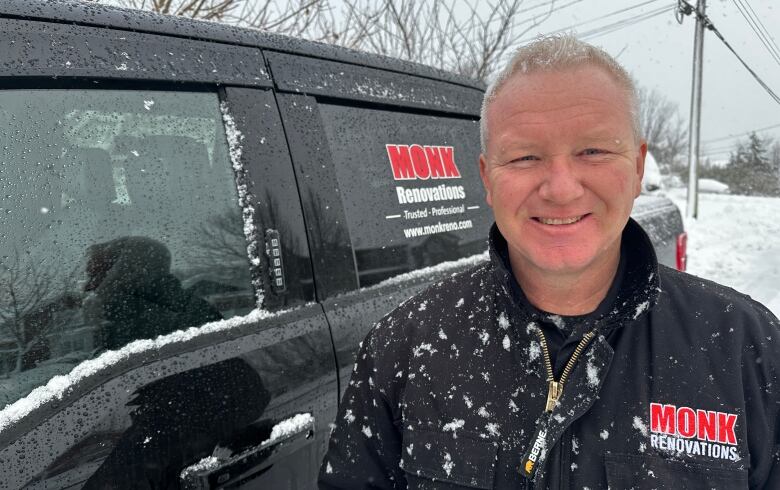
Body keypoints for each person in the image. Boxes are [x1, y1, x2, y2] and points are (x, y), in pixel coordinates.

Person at [318, 34, 780, 489]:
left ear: (637, 168)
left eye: (593, 151)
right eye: (524, 156)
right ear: (487, 178)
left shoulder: (747, 349)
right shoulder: (403, 348)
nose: (560, 188)